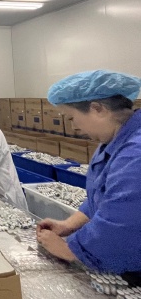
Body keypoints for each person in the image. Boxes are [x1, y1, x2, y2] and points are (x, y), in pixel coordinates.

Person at [36, 70, 141, 277]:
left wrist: (70, 250)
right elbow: (103, 196)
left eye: (72, 117)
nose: (73, 126)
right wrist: (68, 225)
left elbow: (122, 222)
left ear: (98, 109)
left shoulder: (135, 154)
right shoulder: (113, 139)